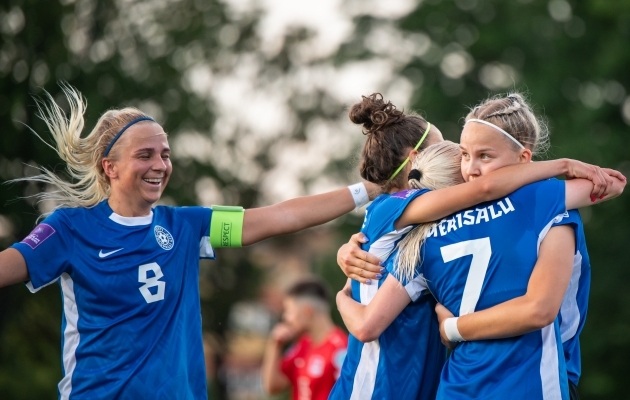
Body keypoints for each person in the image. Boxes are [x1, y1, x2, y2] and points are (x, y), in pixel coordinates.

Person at [0, 84, 379, 399]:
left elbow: (280, 216)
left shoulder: (185, 226)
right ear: (109, 167)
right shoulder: (69, 229)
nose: (160, 165)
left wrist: (369, 190)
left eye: (165, 155)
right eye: (144, 155)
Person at [327, 94, 621, 400]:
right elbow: (611, 184)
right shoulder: (542, 201)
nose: (471, 168)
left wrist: (344, 284)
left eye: (483, 155)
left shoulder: (420, 238)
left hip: (451, 387)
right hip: (526, 382)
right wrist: (563, 165)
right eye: (464, 155)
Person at [261, 279, 347, 400]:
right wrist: (275, 346)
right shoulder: (303, 345)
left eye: (289, 311)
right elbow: (273, 387)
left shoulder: (340, 348)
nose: (286, 318)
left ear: (307, 311)